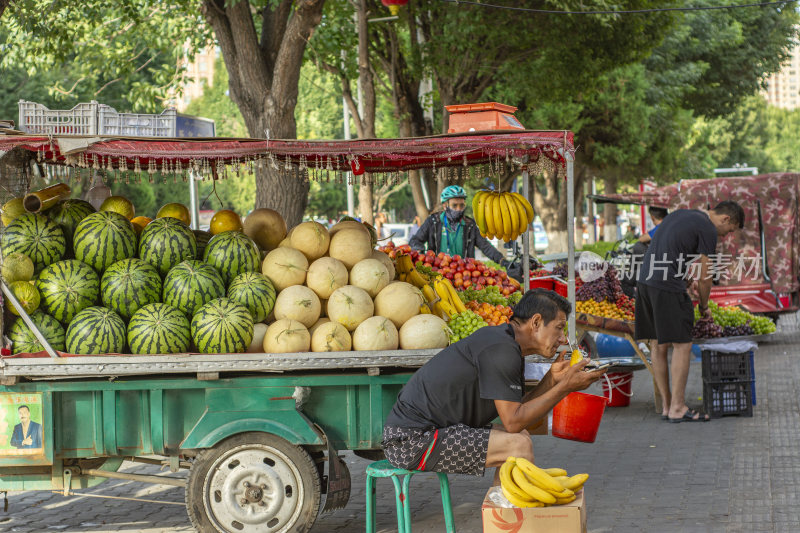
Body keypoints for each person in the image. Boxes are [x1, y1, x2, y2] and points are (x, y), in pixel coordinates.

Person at [382, 290, 606, 479]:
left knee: (521, 438)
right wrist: (565, 386)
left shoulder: (506, 343)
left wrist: (552, 380)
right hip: (410, 441)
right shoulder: (502, 350)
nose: (563, 339)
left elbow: (519, 412)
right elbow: (513, 422)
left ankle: (505, 513)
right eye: (559, 328)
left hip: (432, 431)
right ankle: (512, 519)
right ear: (536, 322)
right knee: (517, 445)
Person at [635, 200, 744, 423]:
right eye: (729, 230)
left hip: (645, 283)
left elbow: (667, 249)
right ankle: (678, 407)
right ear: (725, 219)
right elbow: (706, 277)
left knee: (658, 344)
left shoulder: (682, 214)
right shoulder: (707, 228)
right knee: (683, 344)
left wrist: (685, 279)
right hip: (666, 288)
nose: (725, 236)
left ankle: (667, 406)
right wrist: (704, 307)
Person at [409, 185, 506, 264]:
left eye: (462, 205)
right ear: (445, 205)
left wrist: (502, 261)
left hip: (463, 274)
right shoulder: (433, 221)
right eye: (454, 205)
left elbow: (485, 246)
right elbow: (415, 240)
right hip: (437, 272)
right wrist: (419, 251)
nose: (459, 209)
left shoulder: (470, 225)